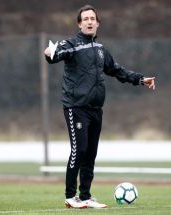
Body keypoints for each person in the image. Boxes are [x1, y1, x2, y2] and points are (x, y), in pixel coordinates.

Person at [44, 5, 155, 209]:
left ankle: (85, 196)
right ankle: (70, 197)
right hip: (75, 107)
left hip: (96, 109)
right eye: (85, 18)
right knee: (80, 150)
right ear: (79, 23)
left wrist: (140, 79)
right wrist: (50, 53)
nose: (89, 21)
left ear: (97, 23)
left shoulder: (101, 50)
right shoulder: (72, 44)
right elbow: (56, 54)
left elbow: (116, 70)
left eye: (92, 18)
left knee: (91, 153)